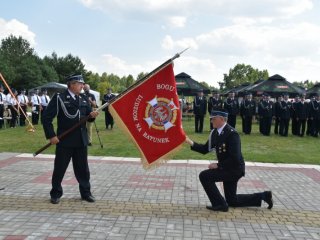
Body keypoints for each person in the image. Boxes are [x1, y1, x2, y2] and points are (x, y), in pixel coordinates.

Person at [185, 110, 273, 212]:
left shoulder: (232, 134)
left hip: (234, 169)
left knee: (205, 176)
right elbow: (205, 149)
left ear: (221, 119)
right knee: (232, 200)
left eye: (213, 119)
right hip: (227, 168)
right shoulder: (215, 132)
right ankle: (264, 196)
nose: (211, 121)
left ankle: (220, 204)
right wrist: (189, 142)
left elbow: (234, 157)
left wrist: (218, 165)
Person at [42, 74, 99, 204]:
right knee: (60, 168)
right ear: (72, 84)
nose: (82, 86)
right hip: (65, 140)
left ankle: (86, 193)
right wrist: (51, 135)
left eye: (82, 84)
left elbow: (88, 117)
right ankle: (56, 193)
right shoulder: (59, 98)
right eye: (80, 83)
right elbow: (46, 118)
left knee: (83, 170)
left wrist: (92, 116)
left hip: (81, 140)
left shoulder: (84, 98)